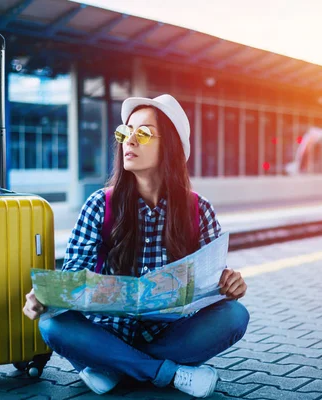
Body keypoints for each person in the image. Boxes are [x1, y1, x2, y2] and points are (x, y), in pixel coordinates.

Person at [22, 94, 249, 398]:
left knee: (235, 315)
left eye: (142, 133)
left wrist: (230, 283)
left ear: (169, 147)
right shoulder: (99, 206)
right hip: (106, 332)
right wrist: (48, 296)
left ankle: (112, 368)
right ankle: (169, 373)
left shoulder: (199, 210)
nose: (129, 140)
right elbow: (74, 276)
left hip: (169, 335)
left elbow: (214, 283)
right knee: (52, 325)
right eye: (125, 131)